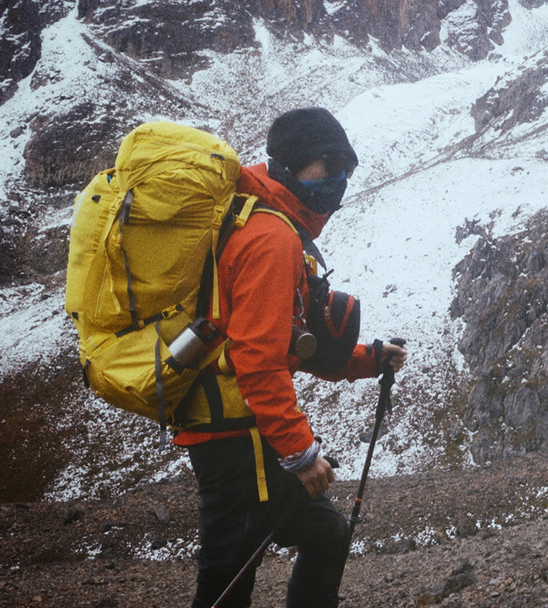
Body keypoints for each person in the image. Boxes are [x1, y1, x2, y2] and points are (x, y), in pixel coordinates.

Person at [172, 107, 408, 608]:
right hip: (233, 431)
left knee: (323, 534)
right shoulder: (272, 237)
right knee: (228, 577)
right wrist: (301, 454)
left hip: (243, 427)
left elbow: (293, 345)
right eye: (327, 164)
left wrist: (369, 358)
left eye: (346, 165)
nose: (338, 178)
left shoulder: (274, 225)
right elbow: (257, 360)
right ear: (293, 165)